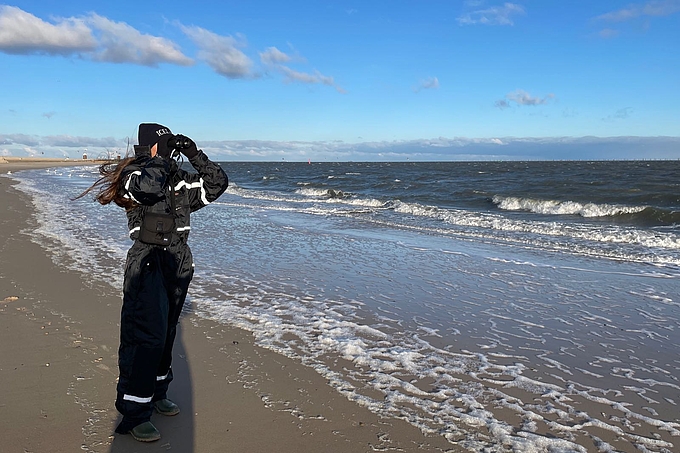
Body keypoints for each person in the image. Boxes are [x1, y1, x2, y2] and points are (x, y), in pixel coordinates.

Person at [76, 123, 228, 441]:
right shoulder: (136, 174)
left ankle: (157, 394)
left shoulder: (176, 179)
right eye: (167, 145)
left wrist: (194, 153)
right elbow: (147, 189)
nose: (172, 151)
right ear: (152, 148)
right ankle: (134, 414)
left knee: (166, 334)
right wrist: (158, 158)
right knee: (145, 338)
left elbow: (216, 186)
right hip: (147, 261)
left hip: (178, 261)